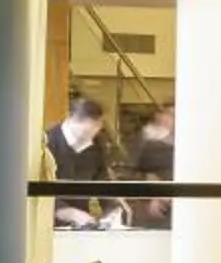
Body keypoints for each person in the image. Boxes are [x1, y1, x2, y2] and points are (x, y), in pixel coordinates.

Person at [46, 96, 125, 229]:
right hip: (47, 225)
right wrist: (68, 212)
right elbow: (38, 189)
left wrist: (112, 209)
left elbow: (102, 181)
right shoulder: (48, 142)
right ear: (74, 120)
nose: (97, 130)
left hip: (81, 226)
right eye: (93, 126)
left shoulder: (97, 145)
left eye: (98, 125)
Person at [123, 105, 175, 229]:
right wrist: (155, 193)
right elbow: (128, 172)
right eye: (169, 114)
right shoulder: (145, 141)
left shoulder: (188, 142)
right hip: (151, 205)